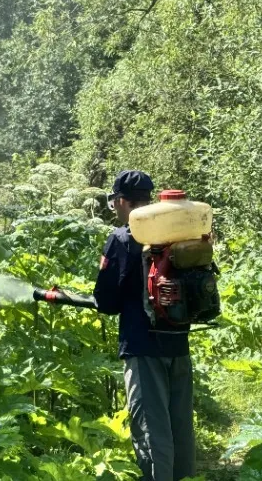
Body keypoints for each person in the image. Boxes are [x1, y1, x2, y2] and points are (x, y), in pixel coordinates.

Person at [93, 170, 195, 481]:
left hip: (142, 346)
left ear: (122, 201)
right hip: (179, 342)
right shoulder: (178, 232)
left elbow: (106, 301)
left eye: (114, 202)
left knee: (151, 431)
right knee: (180, 427)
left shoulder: (123, 238)